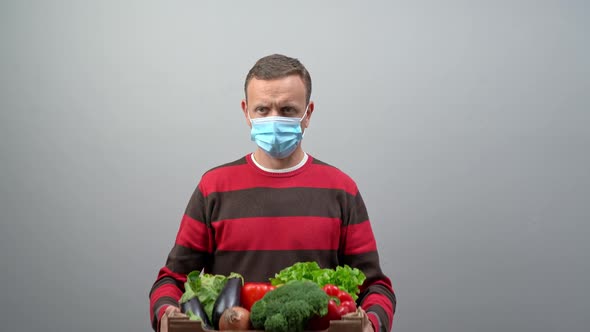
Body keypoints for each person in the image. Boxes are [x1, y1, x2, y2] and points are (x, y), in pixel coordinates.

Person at [149, 54, 396, 332]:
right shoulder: (214, 187)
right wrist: (166, 312)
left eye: (288, 110)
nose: (274, 119)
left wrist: (371, 324)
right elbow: (171, 280)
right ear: (246, 112)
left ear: (308, 114)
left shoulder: (341, 190)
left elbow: (376, 287)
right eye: (263, 109)